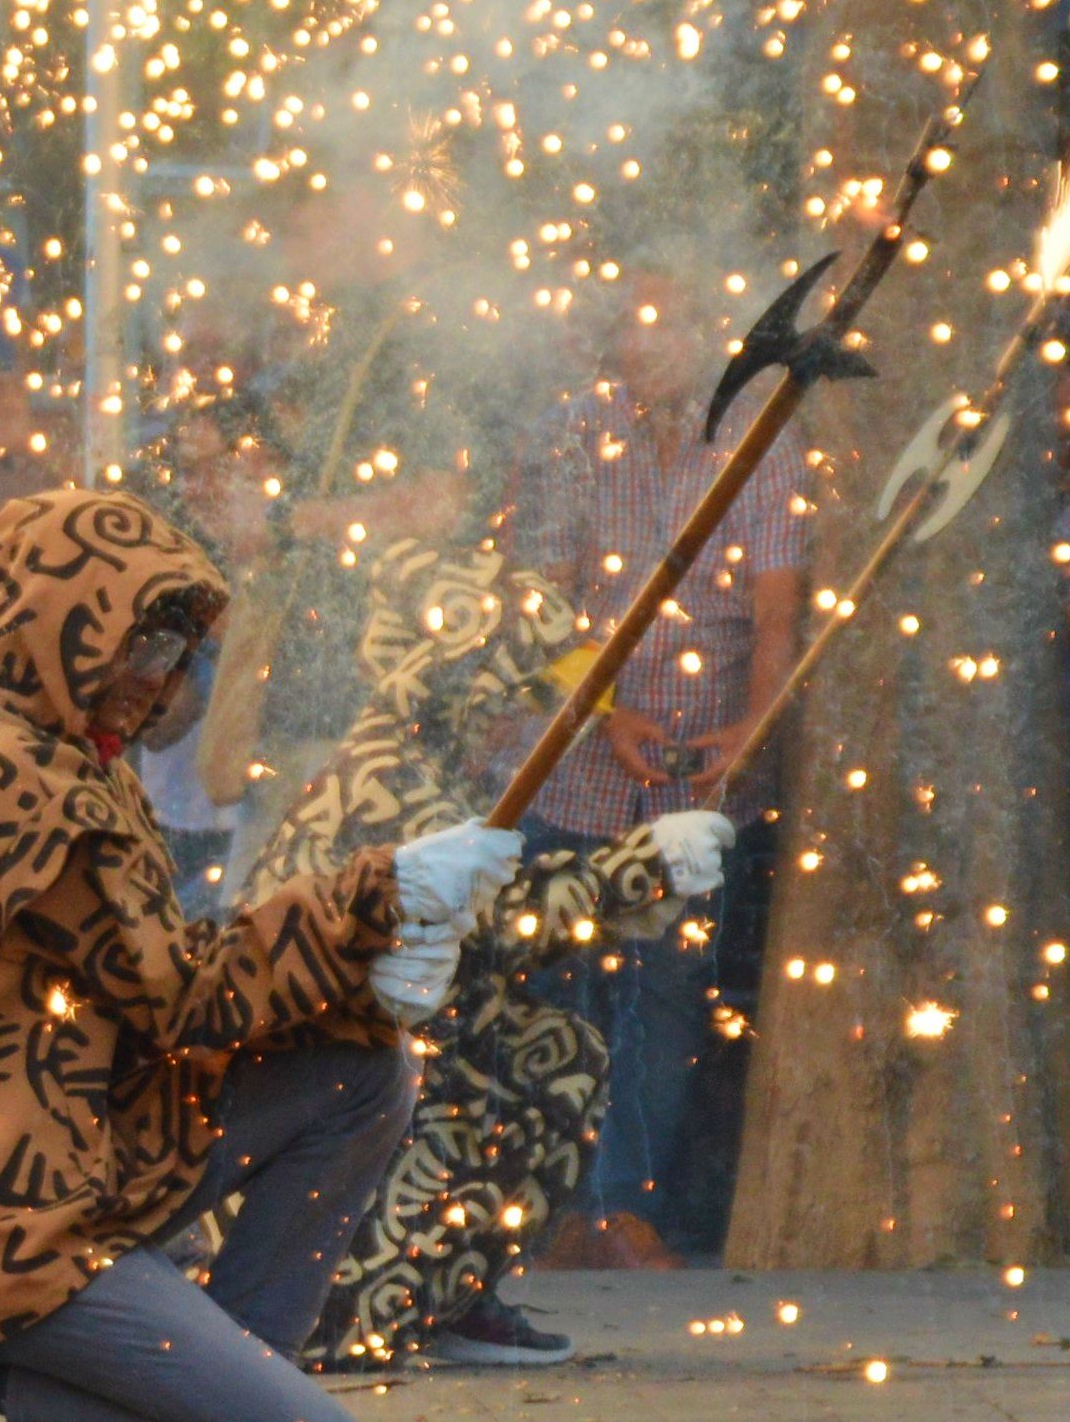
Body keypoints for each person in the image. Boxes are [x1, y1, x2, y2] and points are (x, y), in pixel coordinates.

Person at [0, 484, 516, 1422]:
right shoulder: (15, 784)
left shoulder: (70, 756)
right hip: (2, 1225)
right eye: (133, 645)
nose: (153, 681)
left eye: (168, 650)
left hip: (92, 1159)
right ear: (56, 628)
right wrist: (374, 893)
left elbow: (177, 987)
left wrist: (357, 966)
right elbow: (188, 997)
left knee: (358, 1071)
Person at [235, 543, 730, 1367]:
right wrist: (639, 869)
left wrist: (625, 880)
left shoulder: (424, 764)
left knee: (551, 1051)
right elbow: (494, 919)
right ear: (453, 684)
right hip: (325, 1087)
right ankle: (359, 1303)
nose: (521, 716)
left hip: (379, 1061)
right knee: (525, 1071)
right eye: (507, 693)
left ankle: (447, 1290)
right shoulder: (389, 773)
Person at [508, 269, 804, 1267]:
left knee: (665, 989)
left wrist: (750, 728)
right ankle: (552, 1212)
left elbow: (775, 618)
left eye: (665, 325)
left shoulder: (758, 443)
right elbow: (541, 609)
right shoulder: (566, 440)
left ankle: (624, 1206)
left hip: (695, 770)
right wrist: (604, 712)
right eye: (630, 330)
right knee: (560, 988)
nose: (646, 349)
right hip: (574, 762)